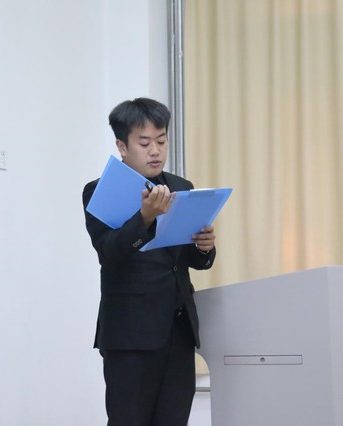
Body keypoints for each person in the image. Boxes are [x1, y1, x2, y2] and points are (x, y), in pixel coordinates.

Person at [82, 97, 217, 426]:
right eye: (144, 143)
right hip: (130, 334)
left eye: (161, 140)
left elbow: (189, 260)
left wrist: (204, 248)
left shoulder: (181, 187)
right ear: (122, 146)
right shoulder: (100, 191)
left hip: (178, 330)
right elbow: (110, 253)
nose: (155, 151)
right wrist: (144, 218)